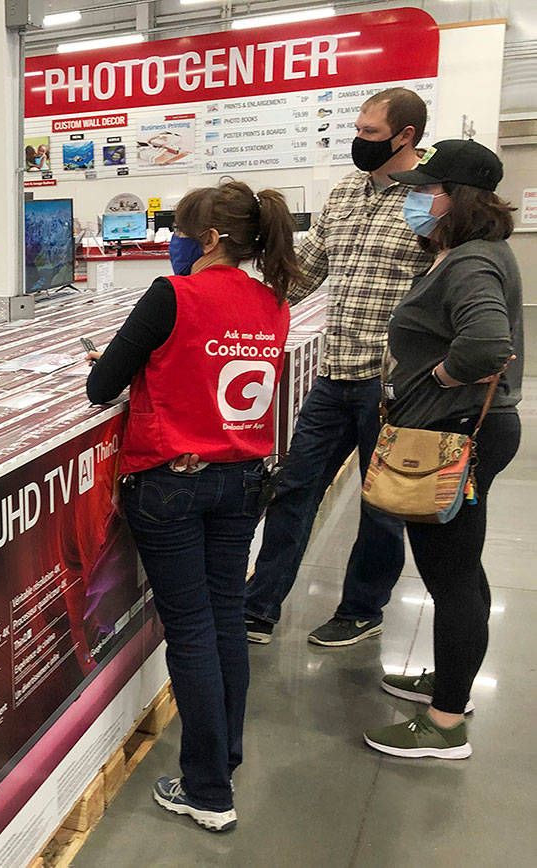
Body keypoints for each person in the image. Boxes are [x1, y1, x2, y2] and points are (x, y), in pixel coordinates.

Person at [85, 180, 300, 831]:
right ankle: (223, 762)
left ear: (206, 239)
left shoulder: (171, 296)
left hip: (172, 487)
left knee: (193, 631)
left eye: (179, 232)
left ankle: (207, 789)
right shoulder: (272, 302)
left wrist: (134, 361)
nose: (172, 243)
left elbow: (102, 385)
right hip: (242, 483)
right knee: (226, 617)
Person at [244, 87, 436, 647]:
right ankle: (259, 607)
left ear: (407, 137)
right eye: (357, 129)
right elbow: (305, 273)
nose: (359, 141)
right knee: (295, 489)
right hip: (335, 373)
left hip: (395, 384)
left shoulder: (430, 198)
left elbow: (446, 283)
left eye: (371, 134)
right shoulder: (348, 190)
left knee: (381, 506)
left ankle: (361, 608)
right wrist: (238, 293)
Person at [362, 140, 522, 758]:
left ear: (457, 199)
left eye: (428, 190)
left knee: (449, 575)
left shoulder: (470, 263)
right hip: (462, 430)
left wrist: (435, 380)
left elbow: (485, 345)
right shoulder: (467, 255)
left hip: (455, 434)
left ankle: (446, 722)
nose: (416, 199)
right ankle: (453, 679)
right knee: (460, 565)